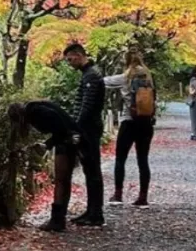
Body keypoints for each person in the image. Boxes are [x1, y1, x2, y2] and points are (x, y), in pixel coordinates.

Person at [8, 100, 81, 232]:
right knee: (65, 180)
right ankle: (60, 217)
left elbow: (59, 126)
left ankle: (57, 220)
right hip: (69, 137)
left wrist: (48, 144)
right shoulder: (35, 108)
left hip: (67, 139)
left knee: (60, 180)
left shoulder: (36, 112)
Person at [103, 50, 157, 207]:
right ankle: (143, 198)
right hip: (146, 123)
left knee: (120, 159)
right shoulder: (149, 77)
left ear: (126, 61)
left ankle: (118, 195)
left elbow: (103, 81)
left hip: (129, 121)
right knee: (143, 160)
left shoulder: (125, 77)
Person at [63, 42, 106, 226]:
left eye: (71, 59)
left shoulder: (92, 76)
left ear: (79, 55)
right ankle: (91, 210)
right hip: (87, 128)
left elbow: (86, 107)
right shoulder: (88, 74)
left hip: (89, 129)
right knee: (90, 171)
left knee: (93, 170)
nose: (70, 63)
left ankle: (96, 213)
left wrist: (76, 128)